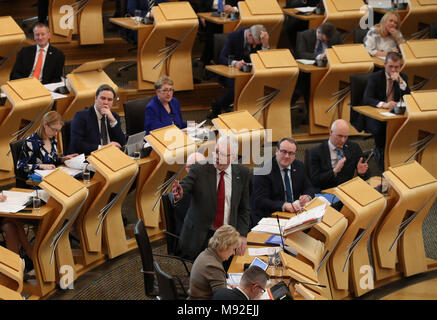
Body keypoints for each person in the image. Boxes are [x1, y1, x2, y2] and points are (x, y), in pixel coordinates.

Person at [171, 135, 251, 261]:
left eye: (223, 155)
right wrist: (178, 194)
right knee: (203, 274)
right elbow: (183, 187)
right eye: (217, 151)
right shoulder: (199, 168)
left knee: (227, 274)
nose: (217, 157)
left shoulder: (243, 174)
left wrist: (242, 235)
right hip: (202, 235)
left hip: (228, 236)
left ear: (233, 158)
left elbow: (243, 208)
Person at [251, 137, 317, 226]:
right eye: (284, 152)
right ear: (277, 151)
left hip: (295, 214)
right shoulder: (263, 171)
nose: (287, 156)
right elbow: (260, 201)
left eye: (291, 153)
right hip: (272, 217)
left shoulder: (299, 166)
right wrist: (284, 205)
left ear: (295, 155)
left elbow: (309, 187)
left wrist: (307, 196)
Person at [208, 25, 270, 119]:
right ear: (249, 35)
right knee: (238, 87)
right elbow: (222, 58)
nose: (255, 45)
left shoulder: (258, 39)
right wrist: (235, 63)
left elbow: (265, 60)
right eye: (254, 42)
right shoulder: (234, 36)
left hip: (250, 72)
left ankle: (247, 112)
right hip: (231, 72)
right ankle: (219, 105)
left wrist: (265, 45)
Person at [362, 52, 410, 169]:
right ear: (384, 65)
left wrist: (401, 82)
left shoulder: (402, 78)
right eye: (391, 66)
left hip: (396, 114)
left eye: (397, 67)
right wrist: (384, 104)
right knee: (381, 128)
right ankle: (381, 152)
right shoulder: (375, 77)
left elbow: (408, 98)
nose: (394, 70)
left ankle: (396, 154)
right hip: (377, 115)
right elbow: (367, 98)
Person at [16, 111, 77, 186]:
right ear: (45, 124)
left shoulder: (52, 139)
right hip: (35, 182)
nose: (55, 134)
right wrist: (41, 166)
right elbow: (20, 166)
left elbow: (51, 160)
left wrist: (62, 159)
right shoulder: (31, 142)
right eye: (54, 129)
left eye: (58, 131)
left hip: (50, 178)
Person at [309, 119, 369, 192]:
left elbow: (367, 175)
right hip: (326, 191)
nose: (343, 140)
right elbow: (315, 181)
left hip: (348, 190)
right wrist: (334, 171)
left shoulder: (354, 147)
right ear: (331, 132)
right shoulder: (316, 152)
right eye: (340, 136)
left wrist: (362, 174)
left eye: (346, 137)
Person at [293, 22, 343, 111]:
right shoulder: (304, 35)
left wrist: (331, 55)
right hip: (310, 71)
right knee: (306, 83)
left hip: (329, 70)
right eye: (324, 40)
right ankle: (310, 113)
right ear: (319, 32)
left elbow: (340, 51)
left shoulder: (335, 36)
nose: (326, 42)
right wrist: (319, 57)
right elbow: (301, 54)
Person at [69, 84, 126, 155]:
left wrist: (113, 121)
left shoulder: (114, 116)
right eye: (103, 98)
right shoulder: (81, 116)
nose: (106, 102)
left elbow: (122, 143)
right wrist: (103, 148)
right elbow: (77, 144)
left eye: (109, 100)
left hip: (110, 155)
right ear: (95, 99)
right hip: (89, 157)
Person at [189, 224, 241, 300]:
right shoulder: (213, 266)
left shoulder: (206, 254)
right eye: (233, 249)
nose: (233, 253)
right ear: (225, 246)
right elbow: (223, 298)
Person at [195, 0, 239, 67]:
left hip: (228, 16)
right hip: (210, 14)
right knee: (212, 27)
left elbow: (241, 5)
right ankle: (209, 60)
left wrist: (234, 9)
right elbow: (201, 6)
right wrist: (201, 16)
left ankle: (212, 59)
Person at [173, 152, 206, 236]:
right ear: (186, 168)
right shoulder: (182, 188)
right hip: (191, 235)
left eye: (199, 166)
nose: (195, 170)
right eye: (191, 167)